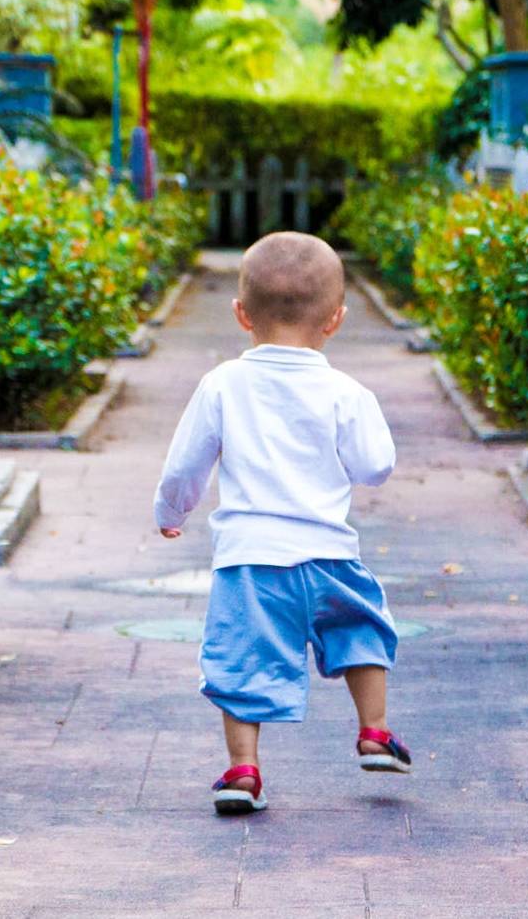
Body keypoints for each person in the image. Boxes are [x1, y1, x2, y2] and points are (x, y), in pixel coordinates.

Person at [152, 231, 410, 816]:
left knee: (241, 661)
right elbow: (376, 466)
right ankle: (374, 731)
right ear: (336, 319)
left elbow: (186, 463)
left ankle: (243, 771)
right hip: (330, 555)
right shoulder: (347, 392)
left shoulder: (221, 384)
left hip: (250, 561)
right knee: (361, 632)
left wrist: (171, 513)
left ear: (242, 314)